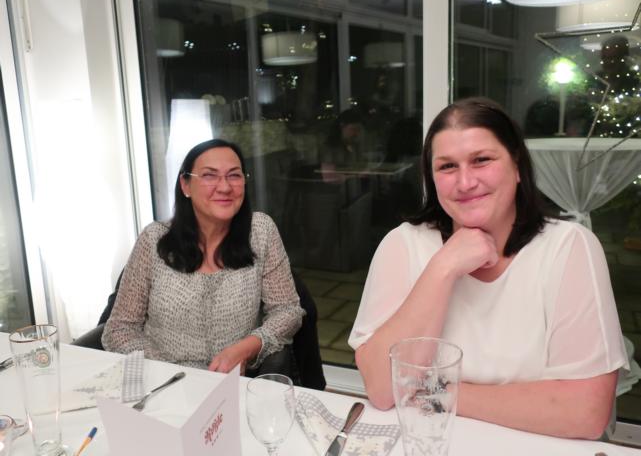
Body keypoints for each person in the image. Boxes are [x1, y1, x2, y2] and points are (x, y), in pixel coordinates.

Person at [348, 97, 628, 439]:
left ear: (517, 166)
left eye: (481, 160)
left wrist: (438, 391)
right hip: (431, 443)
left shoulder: (569, 247)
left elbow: (585, 413)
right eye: (447, 167)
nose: (465, 182)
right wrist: (443, 268)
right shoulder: (403, 244)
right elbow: (382, 389)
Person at [103, 139, 304, 373]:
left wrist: (246, 348)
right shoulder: (153, 239)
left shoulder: (260, 231)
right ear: (185, 185)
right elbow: (120, 329)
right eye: (209, 175)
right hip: (161, 382)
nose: (225, 187)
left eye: (234, 175)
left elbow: (287, 310)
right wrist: (170, 372)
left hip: (231, 383)